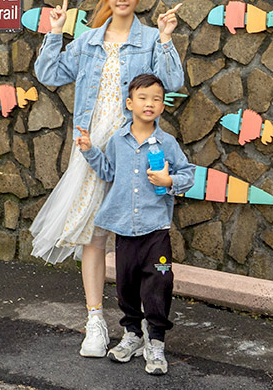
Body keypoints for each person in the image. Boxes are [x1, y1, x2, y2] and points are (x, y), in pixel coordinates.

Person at [29, 0, 183, 358]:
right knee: (93, 235)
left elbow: (174, 81)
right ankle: (95, 320)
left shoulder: (150, 38)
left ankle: (141, 328)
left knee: (137, 238)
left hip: (134, 146)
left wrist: (166, 39)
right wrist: (56, 31)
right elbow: (48, 72)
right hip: (93, 147)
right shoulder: (88, 41)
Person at [76, 73, 194, 376]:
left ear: (162, 106)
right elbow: (107, 171)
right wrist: (89, 149)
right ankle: (133, 334)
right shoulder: (118, 139)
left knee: (160, 282)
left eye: (156, 98)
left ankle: (156, 343)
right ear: (130, 104)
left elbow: (188, 175)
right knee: (126, 286)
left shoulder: (167, 143)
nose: (149, 104)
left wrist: (169, 181)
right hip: (124, 230)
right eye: (143, 98)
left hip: (156, 230)